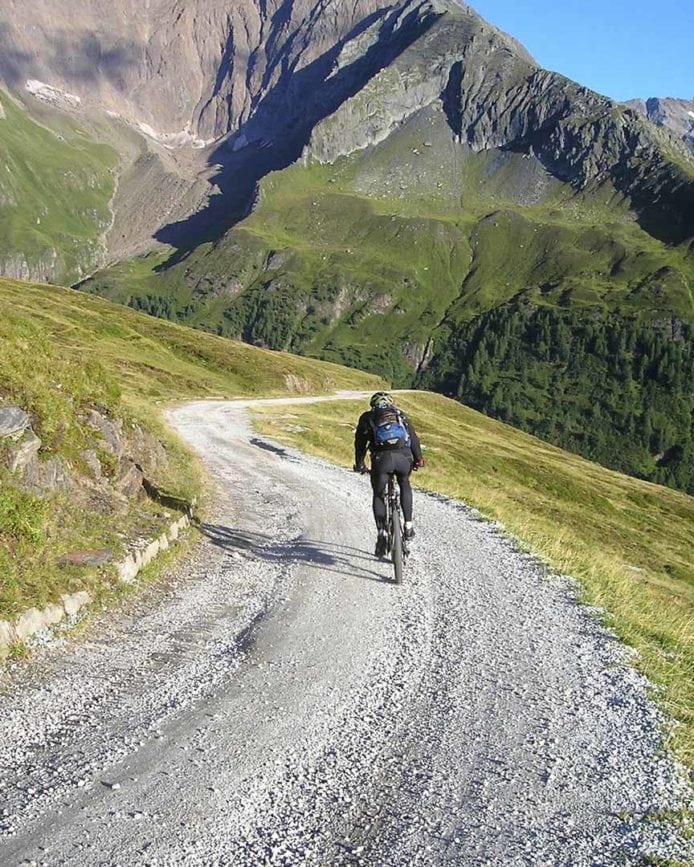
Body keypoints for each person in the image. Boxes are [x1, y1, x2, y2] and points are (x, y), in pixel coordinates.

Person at [353, 392, 425, 557]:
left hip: (381, 460)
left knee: (379, 494)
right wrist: (419, 459)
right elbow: (413, 438)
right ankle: (408, 524)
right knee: (404, 482)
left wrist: (360, 464)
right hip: (403, 457)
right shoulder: (399, 415)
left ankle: (382, 533)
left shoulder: (367, 417)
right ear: (391, 403)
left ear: (373, 405)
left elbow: (360, 444)